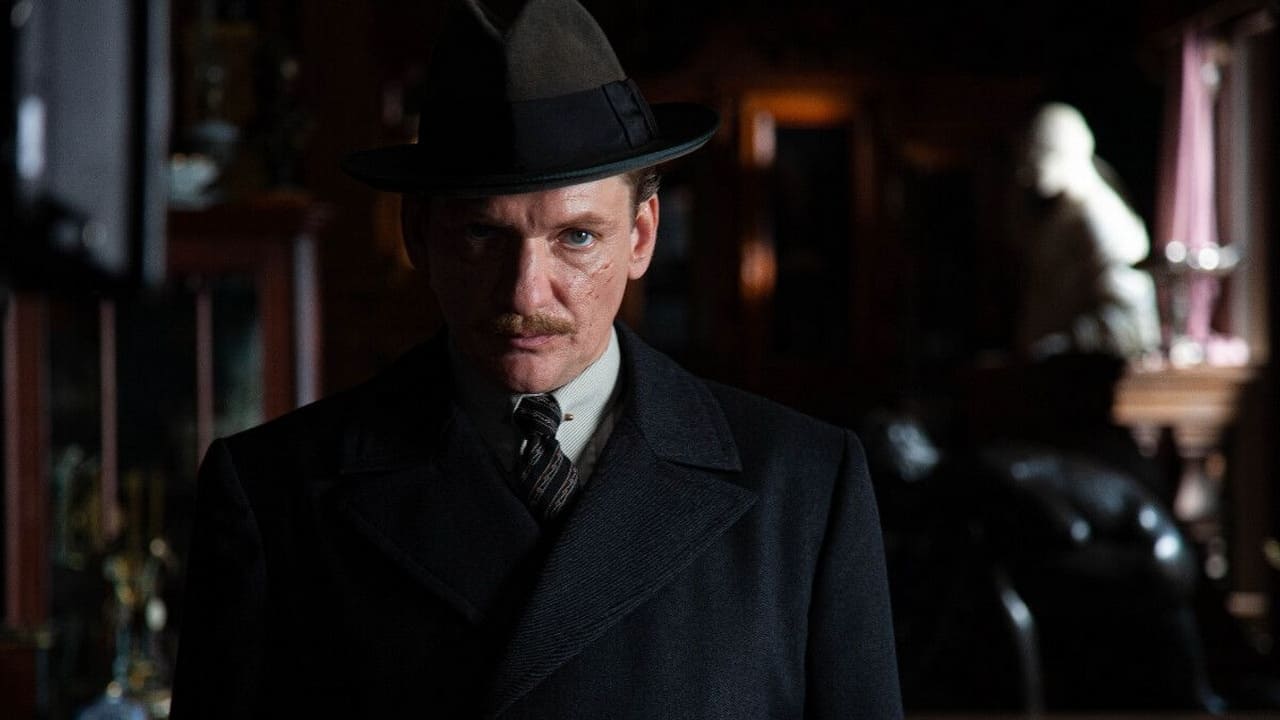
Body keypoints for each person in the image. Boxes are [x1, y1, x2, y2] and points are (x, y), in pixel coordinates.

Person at [171, 0, 901, 717]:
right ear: (419, 235)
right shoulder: (275, 494)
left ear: (641, 236)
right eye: (482, 235)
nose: (525, 291)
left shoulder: (805, 488)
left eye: (576, 237)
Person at [1015, 102, 1161, 361]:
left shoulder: (1099, 215)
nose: (1025, 170)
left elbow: (1129, 323)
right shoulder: (1064, 210)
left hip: (1083, 370)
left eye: (1035, 153)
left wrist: (1061, 344)